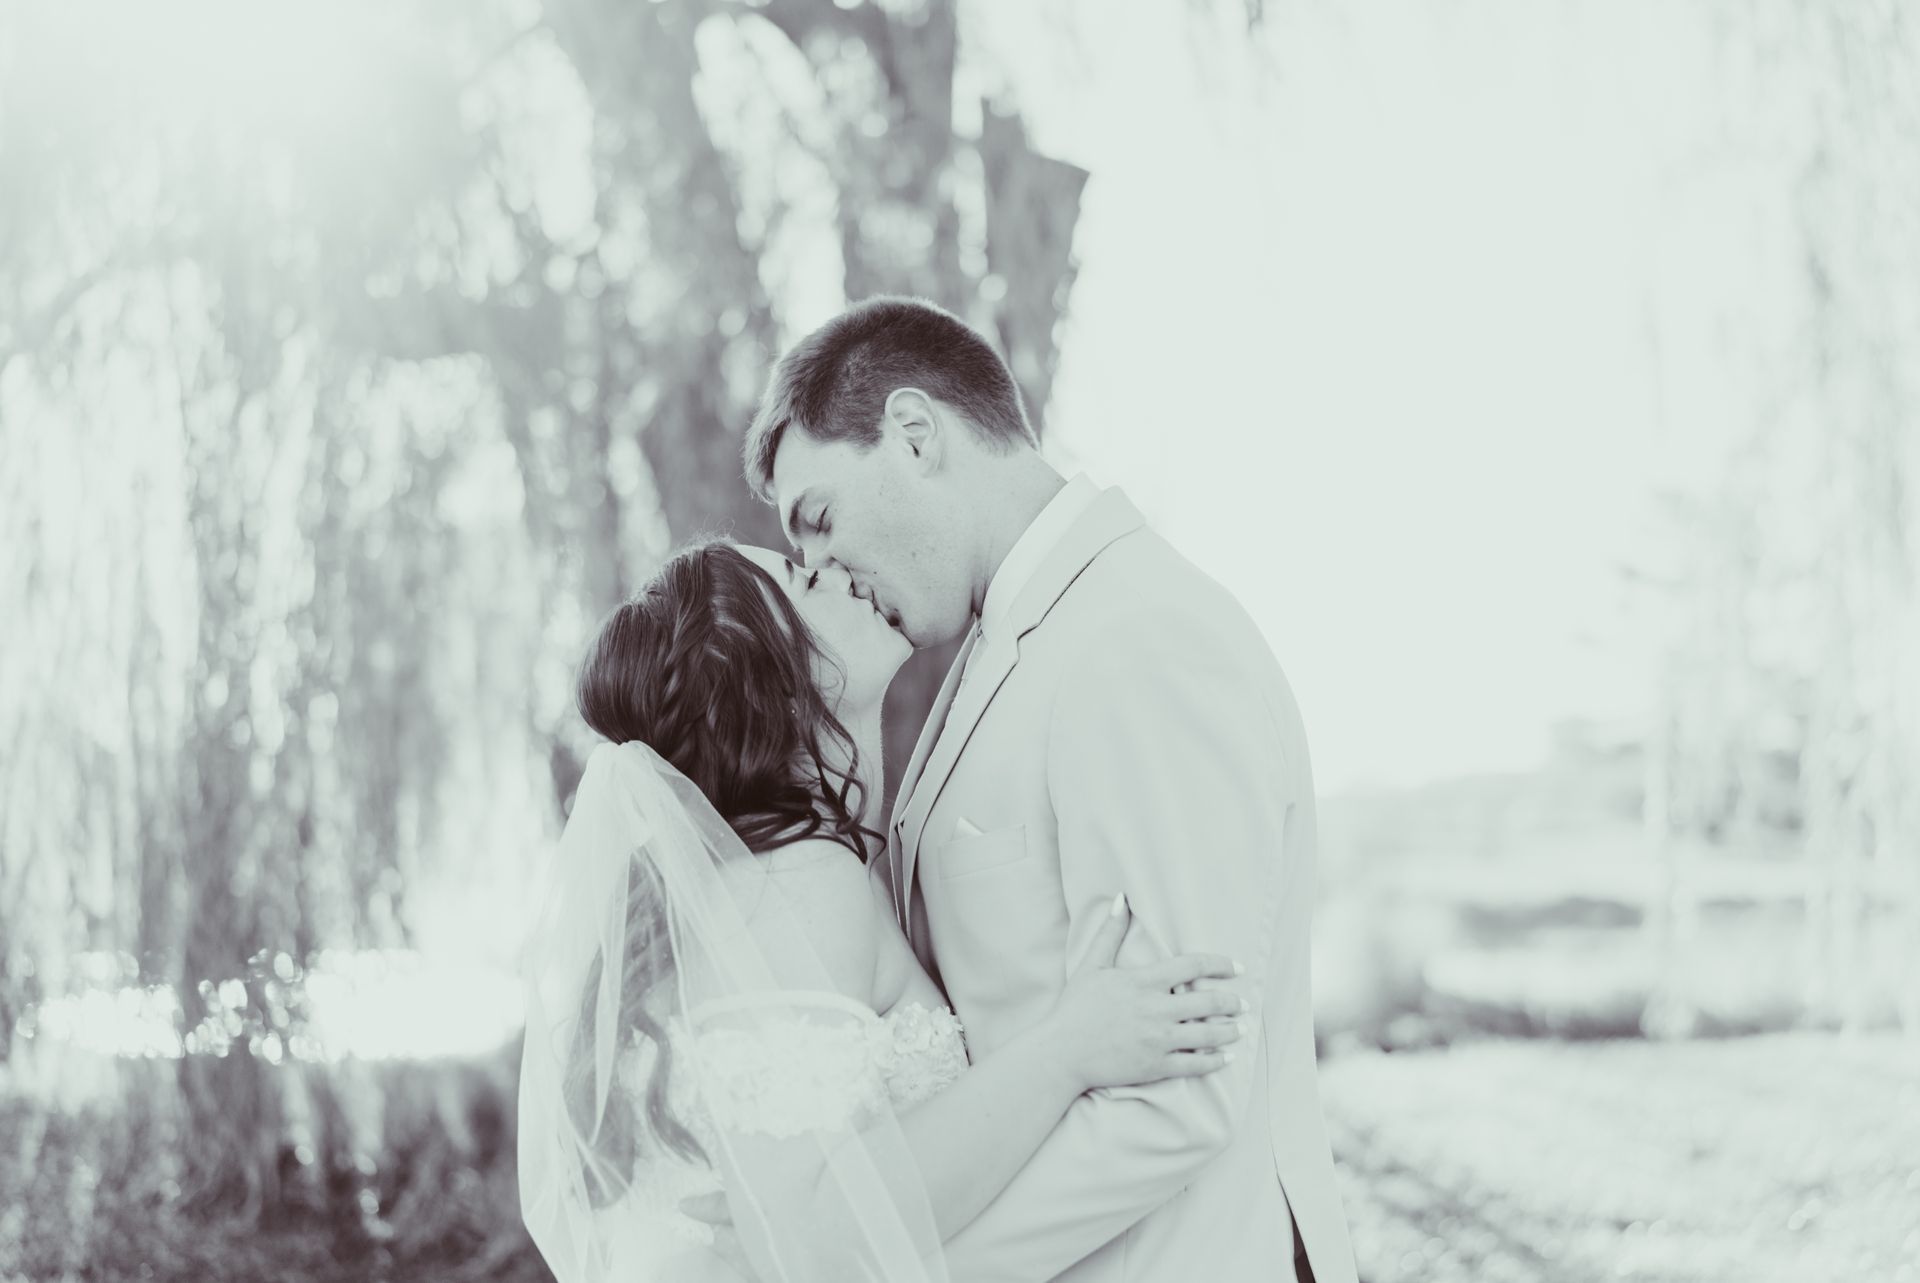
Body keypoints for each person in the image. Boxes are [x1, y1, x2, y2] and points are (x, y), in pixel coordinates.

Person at [740, 295, 1360, 1283]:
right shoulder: (1006, 644)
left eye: (819, 518)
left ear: (913, 433)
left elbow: (1178, 1095)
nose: (817, 568)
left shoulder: (1137, 640)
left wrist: (916, 1270)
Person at [517, 538, 1248, 1283]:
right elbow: (820, 1234)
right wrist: (1069, 1048)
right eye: (805, 578)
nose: (837, 569)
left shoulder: (778, 883)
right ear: (780, 682)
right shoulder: (800, 882)